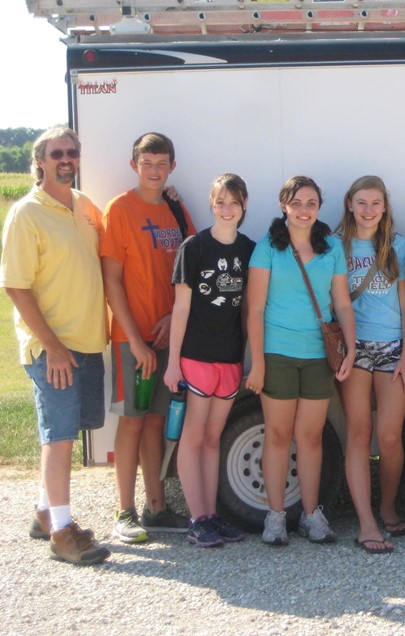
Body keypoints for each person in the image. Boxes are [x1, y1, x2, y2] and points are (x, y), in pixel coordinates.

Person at [0, 127, 110, 564]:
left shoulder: (84, 207)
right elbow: (16, 287)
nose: (66, 159)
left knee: (70, 431)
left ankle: (46, 513)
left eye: (72, 152)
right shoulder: (26, 213)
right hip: (53, 349)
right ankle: (63, 535)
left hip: (86, 342)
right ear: (40, 160)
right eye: (57, 153)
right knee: (59, 437)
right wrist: (53, 347)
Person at [246, 175, 355, 546]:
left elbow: (341, 302)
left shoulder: (332, 248)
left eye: (311, 203)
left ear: (319, 207)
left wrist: (351, 348)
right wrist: (257, 362)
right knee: (277, 437)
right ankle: (275, 517)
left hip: (317, 356)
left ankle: (311, 516)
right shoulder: (267, 248)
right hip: (277, 353)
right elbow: (255, 308)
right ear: (284, 206)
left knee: (310, 437)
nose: (304, 210)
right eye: (297, 203)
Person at [101, 132, 194, 543]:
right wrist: (135, 342)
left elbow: (191, 269)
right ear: (134, 165)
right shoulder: (120, 209)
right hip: (132, 340)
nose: (154, 171)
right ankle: (125, 511)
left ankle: (156, 507)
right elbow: (112, 281)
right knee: (133, 421)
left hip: (168, 336)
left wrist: (174, 315)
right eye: (147, 163)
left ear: (172, 167)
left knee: (157, 422)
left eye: (161, 163)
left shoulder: (176, 207)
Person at [164, 174, 256, 547]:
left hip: (230, 358)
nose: (227, 209)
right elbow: (181, 309)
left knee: (214, 438)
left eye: (233, 202)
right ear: (211, 203)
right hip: (196, 357)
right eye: (220, 202)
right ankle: (197, 517)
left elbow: (250, 308)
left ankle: (212, 516)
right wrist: (173, 363)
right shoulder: (195, 247)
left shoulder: (249, 250)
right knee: (194, 436)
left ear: (244, 204)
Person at [336, 176, 405, 554]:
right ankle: (366, 522)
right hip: (354, 348)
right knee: (358, 432)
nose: (369, 210)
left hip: (392, 347)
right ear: (350, 204)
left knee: (388, 436)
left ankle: (387, 506)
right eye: (362, 202)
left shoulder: (397, 245)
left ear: (385, 208)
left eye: (376, 203)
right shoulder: (337, 246)